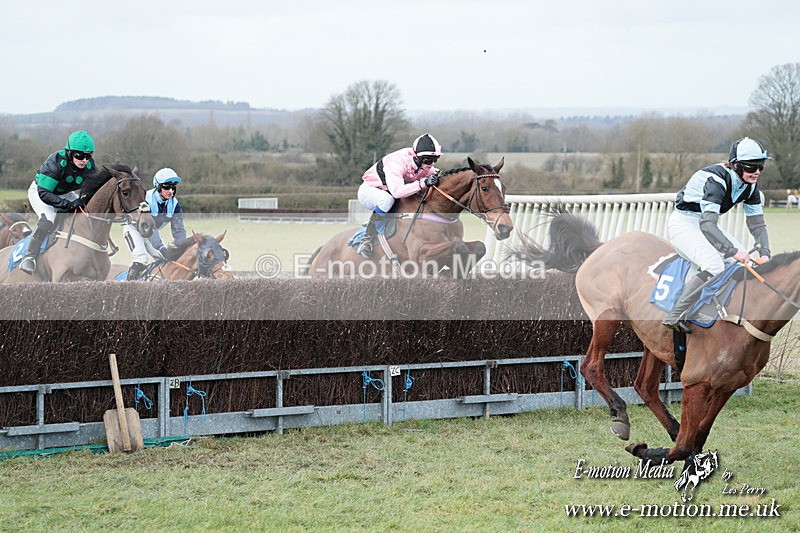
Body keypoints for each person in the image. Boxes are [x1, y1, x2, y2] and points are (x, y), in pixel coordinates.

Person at [663, 136, 772, 333]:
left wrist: (765, 252)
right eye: (751, 167)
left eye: (760, 166)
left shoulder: (750, 186)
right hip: (684, 223)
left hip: (705, 223)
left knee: (744, 261)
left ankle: (718, 308)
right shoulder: (716, 182)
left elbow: (757, 223)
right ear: (736, 165)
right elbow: (707, 224)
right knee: (714, 264)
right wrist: (731, 251)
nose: (757, 172)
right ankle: (676, 314)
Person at [355, 133, 442, 258]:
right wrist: (423, 183)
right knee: (387, 200)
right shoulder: (397, 163)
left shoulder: (422, 162)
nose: (432, 164)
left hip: (390, 190)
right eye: (428, 160)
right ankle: (366, 240)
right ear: (416, 157)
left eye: (435, 160)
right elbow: (397, 192)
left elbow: (435, 174)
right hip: (370, 191)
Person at [20, 131, 95, 275]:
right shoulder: (55, 162)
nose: (84, 160)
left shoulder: (90, 165)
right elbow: (45, 193)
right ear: (69, 153)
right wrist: (67, 205)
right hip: (40, 191)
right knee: (48, 219)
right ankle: (29, 256)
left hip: (63, 193)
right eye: (80, 155)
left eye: (88, 155)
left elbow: (96, 187)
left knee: (86, 212)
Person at [122, 167, 186, 280]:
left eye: (173, 187)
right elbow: (149, 227)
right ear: (158, 186)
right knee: (141, 259)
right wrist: (161, 247)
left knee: (167, 261)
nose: (170, 191)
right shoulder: (146, 199)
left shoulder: (175, 205)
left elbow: (179, 230)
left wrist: (182, 249)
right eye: (166, 187)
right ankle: (128, 287)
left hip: (151, 234)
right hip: (134, 229)